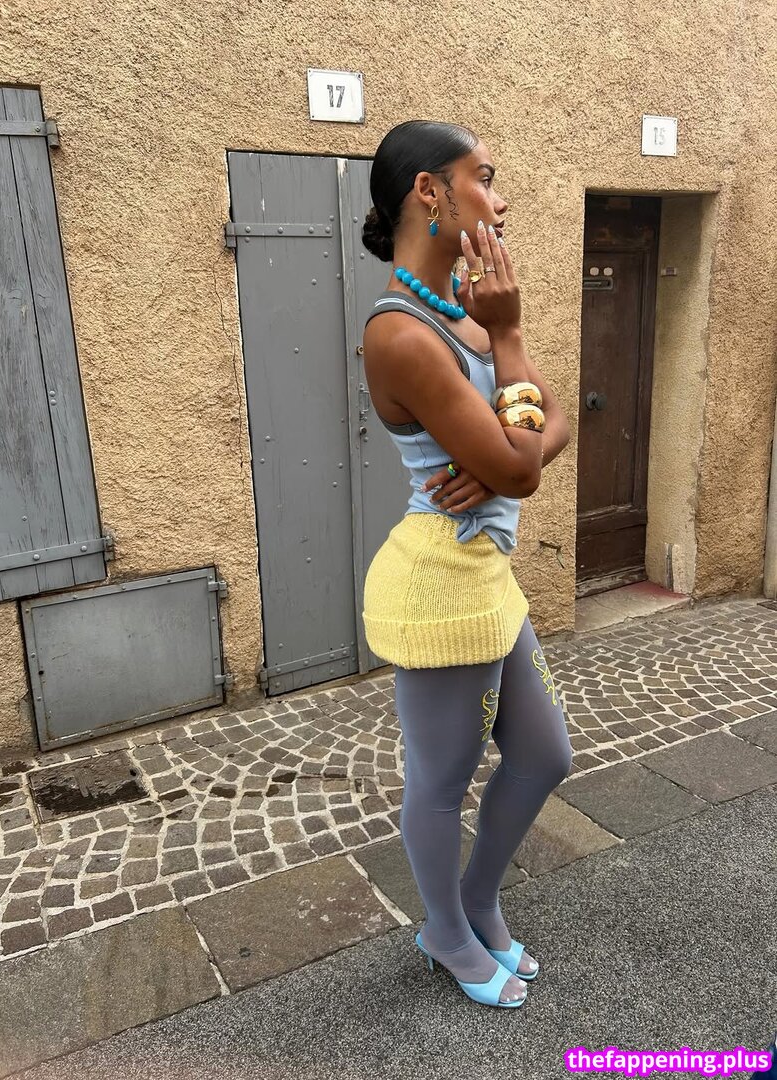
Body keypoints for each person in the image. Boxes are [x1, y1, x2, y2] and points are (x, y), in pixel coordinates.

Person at [361, 120, 573, 1009]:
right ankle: (445, 933)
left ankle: (479, 900)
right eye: (483, 176)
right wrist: (510, 341)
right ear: (430, 191)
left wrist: (506, 457)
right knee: (442, 782)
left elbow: (554, 423)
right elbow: (524, 463)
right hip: (438, 582)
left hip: (486, 576)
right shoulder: (400, 332)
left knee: (544, 755)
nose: (500, 198)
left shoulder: (463, 312)